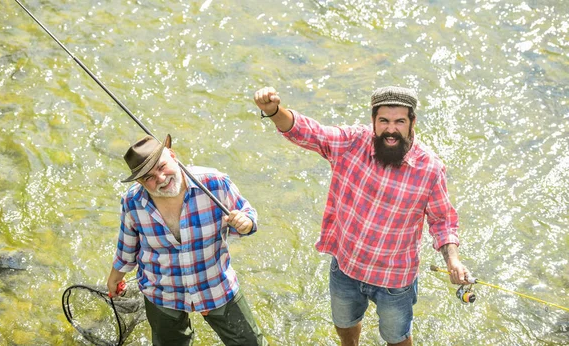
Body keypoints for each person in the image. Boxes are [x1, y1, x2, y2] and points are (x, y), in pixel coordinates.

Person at [253, 86, 470, 346]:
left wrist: (453, 261)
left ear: (412, 122)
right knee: (344, 324)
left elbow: (442, 220)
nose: (391, 130)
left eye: (400, 121)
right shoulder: (351, 143)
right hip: (347, 266)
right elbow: (310, 133)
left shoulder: (430, 169)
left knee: (397, 338)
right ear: (373, 121)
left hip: (395, 279)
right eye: (384, 121)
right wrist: (274, 111)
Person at [106, 134, 268, 346]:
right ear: (139, 181)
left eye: (162, 166)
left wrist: (245, 222)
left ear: (173, 155)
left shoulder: (214, 184)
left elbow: (248, 215)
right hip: (162, 291)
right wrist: (115, 278)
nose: (161, 179)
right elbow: (127, 247)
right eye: (149, 178)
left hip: (214, 284)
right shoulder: (132, 201)